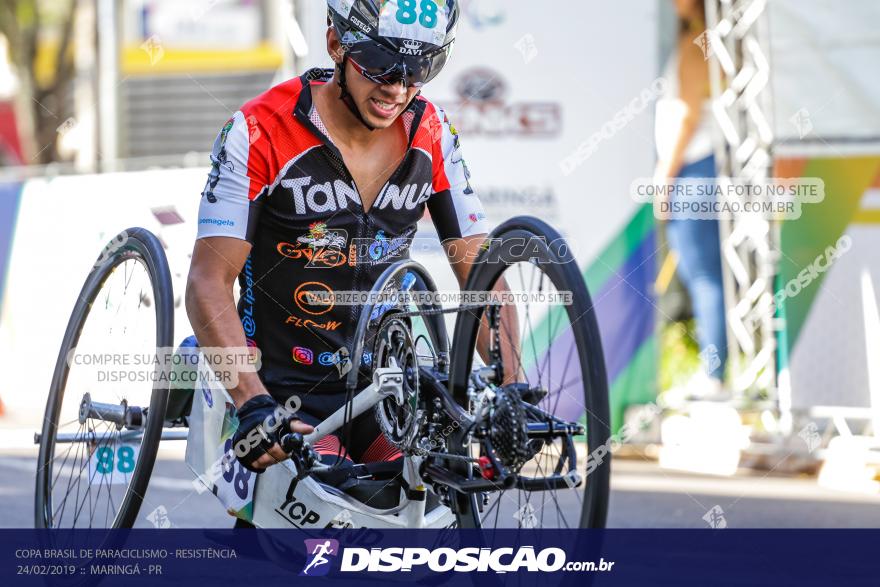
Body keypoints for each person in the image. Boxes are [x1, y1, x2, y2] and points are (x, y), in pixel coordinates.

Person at [185, 0, 492, 510]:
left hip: (385, 389)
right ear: (336, 45)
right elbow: (207, 282)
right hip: (281, 389)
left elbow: (483, 273)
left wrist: (512, 385)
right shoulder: (259, 129)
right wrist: (252, 401)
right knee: (332, 514)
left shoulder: (432, 132)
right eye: (380, 65)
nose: (397, 88)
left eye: (419, 68)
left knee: (429, 499)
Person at [654, 0, 728, 400]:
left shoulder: (698, 41)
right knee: (702, 274)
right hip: (698, 168)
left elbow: (687, 114)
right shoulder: (702, 40)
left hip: (694, 168)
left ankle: (715, 375)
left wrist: (665, 177)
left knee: (704, 274)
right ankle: (714, 372)